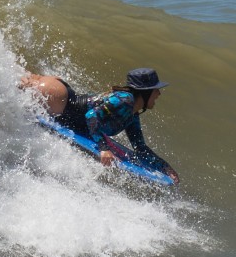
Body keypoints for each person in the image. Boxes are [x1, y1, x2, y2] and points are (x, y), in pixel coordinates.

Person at [21, 68, 179, 184]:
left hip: (60, 96)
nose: (159, 93)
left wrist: (164, 167)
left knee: (24, 81)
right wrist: (104, 148)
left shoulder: (132, 113)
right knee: (17, 84)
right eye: (155, 89)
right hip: (59, 100)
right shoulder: (125, 100)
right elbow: (91, 116)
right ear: (144, 92)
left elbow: (140, 146)